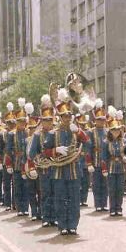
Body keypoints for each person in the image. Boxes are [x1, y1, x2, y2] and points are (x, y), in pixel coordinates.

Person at [42, 89, 90, 235]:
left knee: (74, 200)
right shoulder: (52, 133)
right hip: (58, 172)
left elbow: (88, 146)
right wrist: (56, 149)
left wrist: (80, 133)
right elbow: (45, 152)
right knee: (60, 199)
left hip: (74, 170)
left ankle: (73, 225)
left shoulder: (77, 130)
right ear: (60, 117)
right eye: (64, 116)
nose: (67, 118)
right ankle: (63, 225)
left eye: (69, 115)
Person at [28, 95, 57, 228]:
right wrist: (38, 161)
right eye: (45, 121)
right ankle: (46, 217)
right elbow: (32, 153)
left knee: (56, 193)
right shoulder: (37, 135)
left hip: (57, 168)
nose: (48, 123)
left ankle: (55, 217)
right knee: (45, 193)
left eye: (50, 120)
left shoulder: (57, 132)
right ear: (41, 121)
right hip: (44, 169)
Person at [101, 107, 126, 216]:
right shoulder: (106, 142)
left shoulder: (124, 141)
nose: (115, 132)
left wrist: (125, 157)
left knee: (120, 189)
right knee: (112, 189)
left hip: (121, 168)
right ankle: (112, 209)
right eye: (113, 130)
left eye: (117, 130)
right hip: (111, 167)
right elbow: (104, 157)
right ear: (110, 131)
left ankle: (119, 208)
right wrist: (104, 169)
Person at [88, 100, 109, 212]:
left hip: (105, 162)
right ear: (95, 120)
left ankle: (104, 203)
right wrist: (89, 163)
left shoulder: (108, 131)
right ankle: (97, 204)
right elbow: (88, 149)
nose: (101, 121)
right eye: (99, 119)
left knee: (105, 184)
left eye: (103, 119)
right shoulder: (91, 132)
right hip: (95, 161)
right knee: (96, 184)